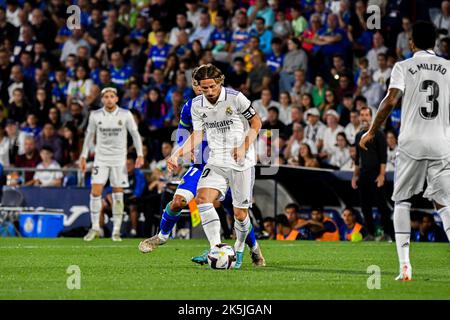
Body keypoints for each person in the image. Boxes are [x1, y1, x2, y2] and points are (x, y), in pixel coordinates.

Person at [139, 66, 265, 267]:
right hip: (214, 161)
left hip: (241, 162)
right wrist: (176, 154)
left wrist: (243, 146)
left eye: (211, 87)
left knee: (240, 215)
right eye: (203, 88)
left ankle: (248, 249)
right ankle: (216, 248)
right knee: (202, 199)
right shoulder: (195, 105)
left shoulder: (236, 97)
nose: (208, 92)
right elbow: (196, 135)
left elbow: (256, 122)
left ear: (220, 82)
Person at [359, 21, 450, 281]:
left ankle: (405, 267)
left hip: (412, 143)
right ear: (435, 42)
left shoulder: (404, 66)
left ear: (411, 43)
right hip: (442, 143)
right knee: (444, 203)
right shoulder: (449, 68)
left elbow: (390, 100)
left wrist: (372, 130)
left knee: (402, 201)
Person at [80, 87, 144, 242]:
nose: (109, 99)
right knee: (95, 192)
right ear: (102, 99)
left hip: (118, 159)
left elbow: (135, 134)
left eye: (111, 96)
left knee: (118, 193)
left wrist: (140, 154)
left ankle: (116, 230)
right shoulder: (95, 115)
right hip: (100, 159)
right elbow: (89, 136)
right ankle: (95, 228)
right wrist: (83, 156)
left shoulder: (125, 114)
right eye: (106, 96)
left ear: (116, 99)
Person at [353, 106, 392, 241]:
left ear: (371, 117)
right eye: (362, 115)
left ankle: (387, 234)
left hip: (376, 173)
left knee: (382, 205)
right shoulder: (358, 135)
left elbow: (383, 156)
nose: (364, 117)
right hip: (364, 173)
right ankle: (370, 234)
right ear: (359, 118)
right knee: (365, 206)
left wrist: (382, 175)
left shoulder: (378, 134)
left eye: (366, 115)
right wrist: (355, 176)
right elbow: (357, 158)